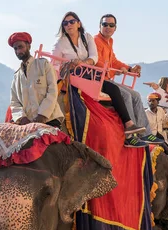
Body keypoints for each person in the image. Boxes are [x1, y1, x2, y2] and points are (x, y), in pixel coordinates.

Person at [52, 11, 147, 147]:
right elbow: (54, 63)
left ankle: (131, 125)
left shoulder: (87, 38)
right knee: (125, 94)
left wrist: (83, 63)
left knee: (119, 90)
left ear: (78, 24)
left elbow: (95, 58)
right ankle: (130, 131)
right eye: (65, 23)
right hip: (73, 76)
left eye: (72, 22)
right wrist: (68, 66)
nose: (69, 25)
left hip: (89, 74)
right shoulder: (61, 43)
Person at [94, 13, 157, 141]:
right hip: (99, 79)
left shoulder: (109, 42)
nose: (108, 27)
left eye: (111, 25)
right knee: (126, 95)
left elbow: (114, 61)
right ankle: (131, 135)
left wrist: (129, 68)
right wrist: (115, 71)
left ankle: (145, 133)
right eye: (105, 24)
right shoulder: (96, 40)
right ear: (99, 26)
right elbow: (97, 62)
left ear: (115, 28)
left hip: (107, 78)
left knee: (136, 95)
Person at [8, 32, 64, 127]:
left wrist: (42, 115)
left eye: (20, 47)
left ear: (28, 46)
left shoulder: (44, 65)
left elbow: (52, 91)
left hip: (49, 119)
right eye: (15, 49)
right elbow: (14, 101)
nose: (18, 51)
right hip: (26, 124)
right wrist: (22, 118)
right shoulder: (16, 76)